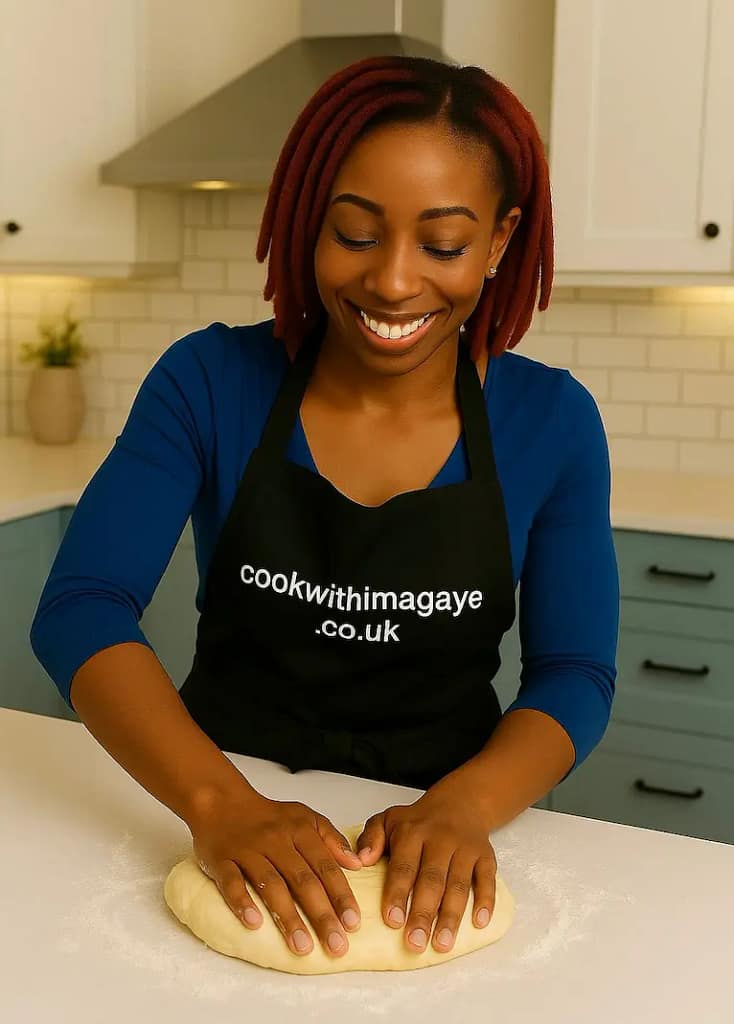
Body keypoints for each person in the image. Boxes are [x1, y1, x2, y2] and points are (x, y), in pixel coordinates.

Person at [30, 56, 619, 964]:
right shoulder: (209, 381)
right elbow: (81, 607)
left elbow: (574, 671)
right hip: (219, 793)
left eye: (443, 245)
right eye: (354, 232)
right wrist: (221, 804)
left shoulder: (552, 422)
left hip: (442, 818)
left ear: (500, 242)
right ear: (309, 225)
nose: (391, 281)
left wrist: (464, 808)